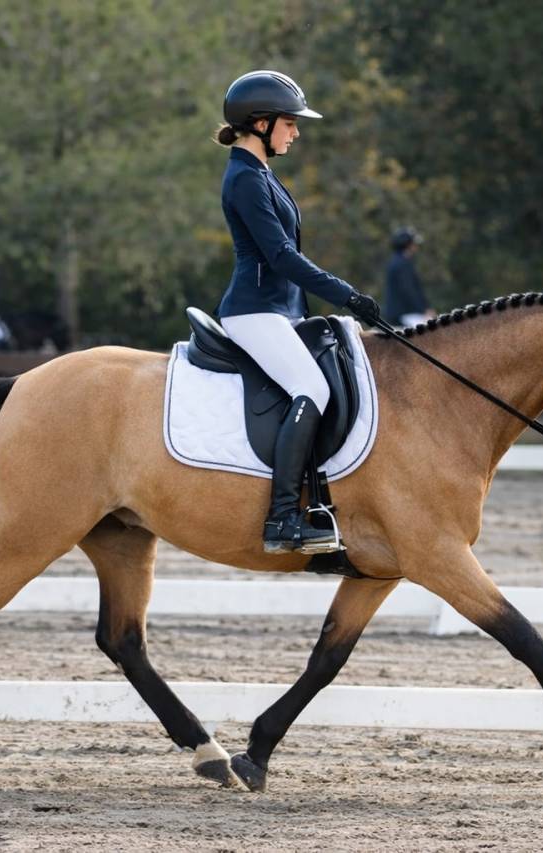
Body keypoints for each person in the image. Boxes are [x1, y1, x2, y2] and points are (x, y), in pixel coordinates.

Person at [214, 69, 381, 554]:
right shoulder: (245, 179)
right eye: (289, 123)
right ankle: (282, 518)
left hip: (280, 310)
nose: (296, 132)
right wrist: (346, 294)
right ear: (260, 123)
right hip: (254, 311)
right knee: (312, 387)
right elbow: (282, 257)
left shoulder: (261, 174)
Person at [383, 227, 434, 328]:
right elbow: (408, 290)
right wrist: (423, 310)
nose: (416, 246)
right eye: (413, 243)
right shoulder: (401, 264)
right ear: (408, 245)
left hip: (403, 314)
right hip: (405, 315)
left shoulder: (399, 261)